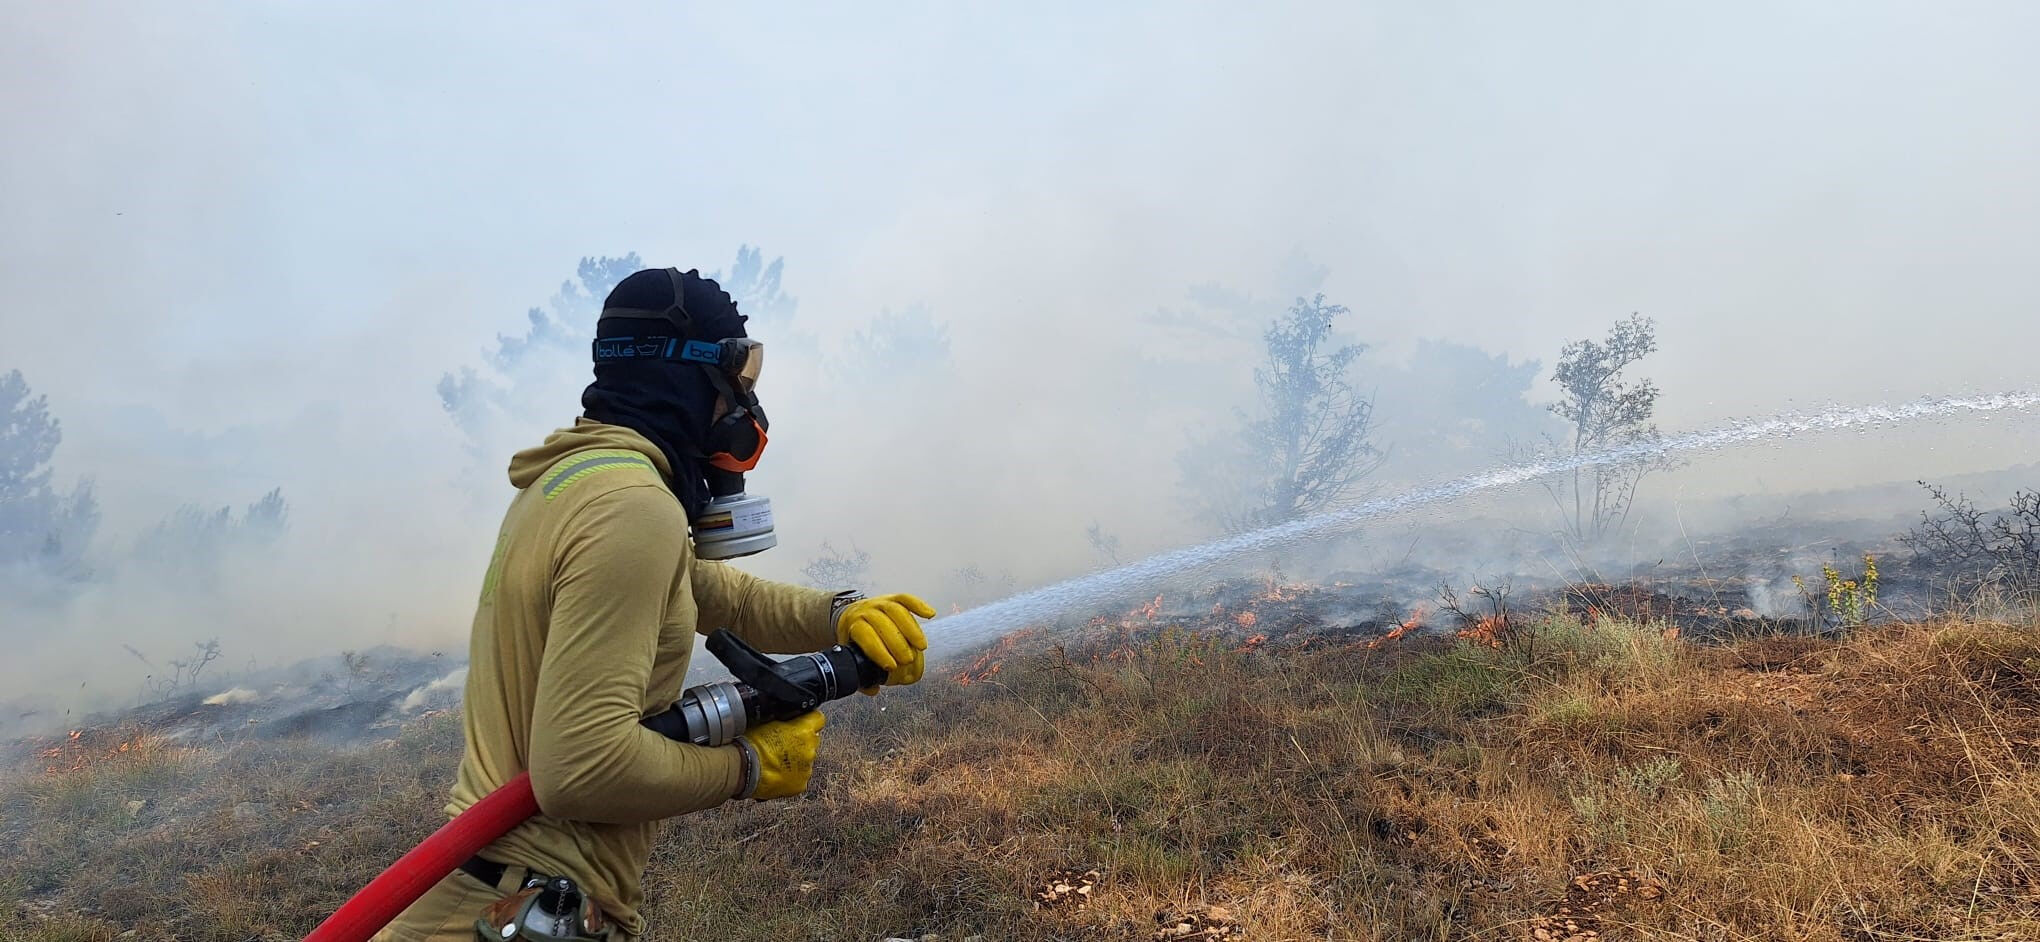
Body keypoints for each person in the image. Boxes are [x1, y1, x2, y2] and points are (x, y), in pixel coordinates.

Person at [375, 267, 935, 941]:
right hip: (523, 909)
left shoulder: (572, 482)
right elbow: (581, 770)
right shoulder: (631, 510)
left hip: (494, 897)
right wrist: (747, 767)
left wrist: (838, 613)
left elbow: (704, 589)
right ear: (687, 377)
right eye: (738, 378)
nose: (742, 409)